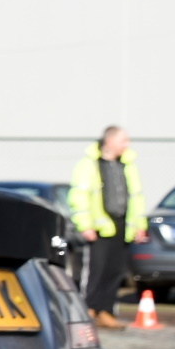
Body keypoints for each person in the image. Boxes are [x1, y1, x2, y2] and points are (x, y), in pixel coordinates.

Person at [67, 125, 148, 328]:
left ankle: (106, 311)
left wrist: (139, 225)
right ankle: (88, 310)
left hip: (122, 227)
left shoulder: (127, 165)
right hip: (98, 228)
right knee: (95, 272)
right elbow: (79, 196)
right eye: (123, 141)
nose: (127, 145)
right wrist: (85, 225)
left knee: (115, 272)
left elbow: (136, 197)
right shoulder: (90, 164)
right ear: (109, 141)